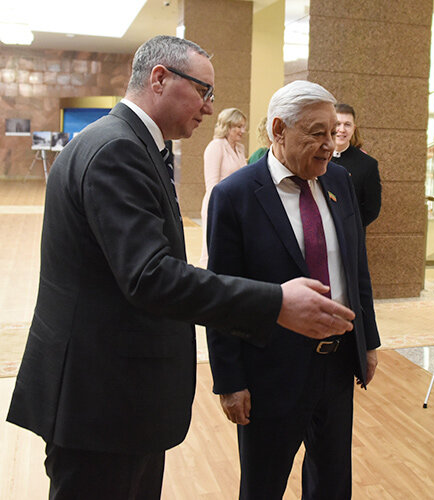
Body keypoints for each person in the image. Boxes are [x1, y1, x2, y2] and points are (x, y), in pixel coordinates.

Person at [6, 36, 355, 500]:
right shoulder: (117, 150)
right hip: (102, 403)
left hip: (112, 398)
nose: (210, 108)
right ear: (159, 79)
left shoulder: (129, 144)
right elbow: (150, 276)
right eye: (203, 91)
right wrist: (275, 302)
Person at [206, 80, 380, 499]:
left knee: (332, 483)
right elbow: (223, 294)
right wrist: (229, 380)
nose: (329, 145)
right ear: (279, 130)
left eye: (332, 132)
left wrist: (367, 342)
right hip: (271, 372)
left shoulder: (338, 180)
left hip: (336, 365)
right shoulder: (235, 196)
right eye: (316, 133)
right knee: (264, 485)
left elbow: (357, 267)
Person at [199, 107, 247, 267]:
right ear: (227, 126)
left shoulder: (240, 149)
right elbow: (212, 185)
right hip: (217, 206)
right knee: (212, 252)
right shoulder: (215, 146)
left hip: (237, 208)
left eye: (243, 127)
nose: (242, 131)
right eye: (238, 126)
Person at [332, 103, 381, 229]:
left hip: (352, 236)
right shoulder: (315, 157)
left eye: (347, 125)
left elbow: (372, 209)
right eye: (337, 124)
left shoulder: (367, 164)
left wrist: (351, 227)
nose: (342, 130)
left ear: (354, 128)